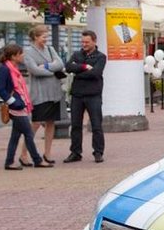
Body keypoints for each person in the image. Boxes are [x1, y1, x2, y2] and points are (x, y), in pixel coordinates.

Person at [0, 44, 52, 170]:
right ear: (13, 56)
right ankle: (37, 160)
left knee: (15, 136)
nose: (23, 56)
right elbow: (0, 89)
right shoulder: (5, 69)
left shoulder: (14, 68)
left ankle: (9, 162)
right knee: (28, 133)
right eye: (20, 54)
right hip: (16, 107)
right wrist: (13, 102)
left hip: (20, 105)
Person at [19, 25, 64, 164]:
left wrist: (44, 66)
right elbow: (34, 70)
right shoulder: (28, 52)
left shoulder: (50, 49)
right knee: (36, 123)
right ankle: (23, 154)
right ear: (35, 37)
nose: (46, 39)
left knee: (51, 123)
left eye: (47, 36)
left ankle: (47, 153)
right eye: (44, 37)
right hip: (39, 93)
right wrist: (51, 68)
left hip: (54, 92)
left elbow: (60, 64)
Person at [64, 31, 106, 163]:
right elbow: (68, 67)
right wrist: (83, 67)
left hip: (93, 95)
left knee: (96, 125)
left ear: (94, 41)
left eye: (87, 42)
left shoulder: (100, 57)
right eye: (82, 42)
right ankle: (75, 152)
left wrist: (78, 72)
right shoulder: (77, 54)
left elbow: (95, 73)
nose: (84, 44)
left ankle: (98, 152)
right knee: (75, 125)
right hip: (77, 94)